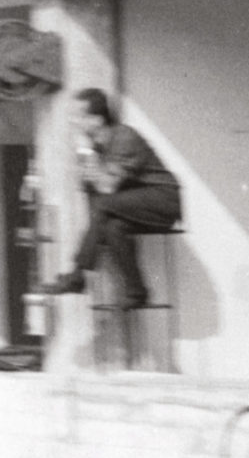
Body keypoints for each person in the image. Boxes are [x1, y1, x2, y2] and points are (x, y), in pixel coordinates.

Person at [41, 87, 181, 310]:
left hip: (163, 199)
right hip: (136, 203)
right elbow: (91, 192)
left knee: (105, 205)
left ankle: (77, 277)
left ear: (97, 119)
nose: (72, 122)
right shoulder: (97, 147)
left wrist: (87, 154)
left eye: (78, 116)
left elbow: (105, 187)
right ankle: (137, 292)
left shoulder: (125, 137)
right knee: (114, 227)